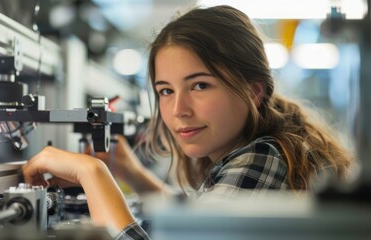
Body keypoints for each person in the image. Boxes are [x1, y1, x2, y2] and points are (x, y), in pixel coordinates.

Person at [22, 5, 353, 240]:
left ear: (252, 92)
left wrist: (91, 173)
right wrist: (131, 173)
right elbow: (200, 218)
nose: (178, 109)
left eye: (199, 85)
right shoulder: (261, 150)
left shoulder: (263, 157)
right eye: (165, 90)